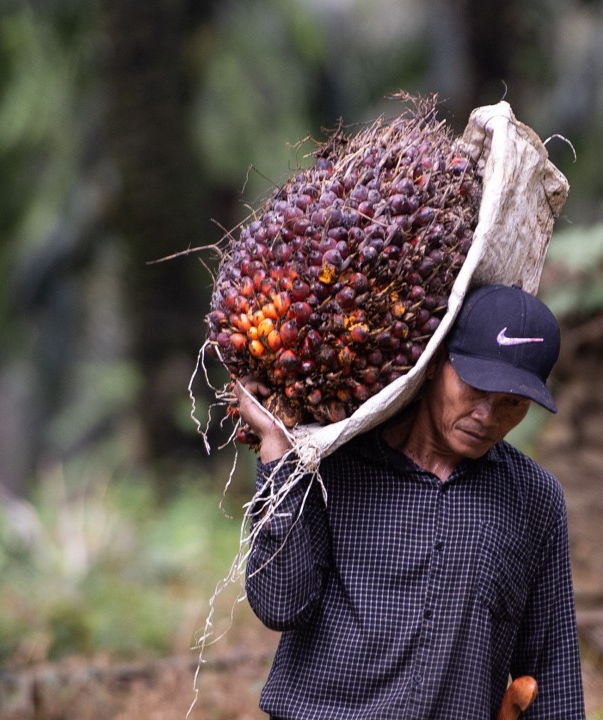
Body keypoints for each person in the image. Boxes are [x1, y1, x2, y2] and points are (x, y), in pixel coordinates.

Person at [235, 284, 585, 719]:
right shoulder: (336, 461)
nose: (488, 417)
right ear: (436, 362)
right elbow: (279, 604)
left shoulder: (533, 499)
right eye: (476, 389)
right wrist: (276, 452)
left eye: (513, 403)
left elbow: (552, 680)